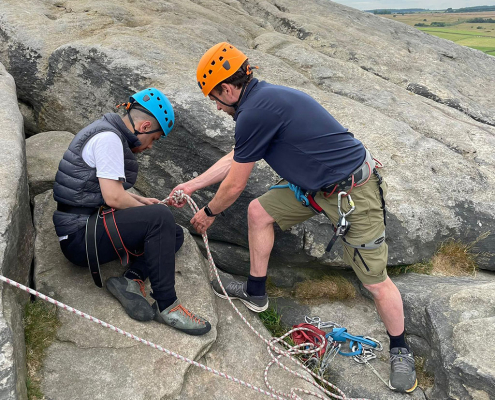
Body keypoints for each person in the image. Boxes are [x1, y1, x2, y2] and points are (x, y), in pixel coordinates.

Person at [168, 43, 417, 390]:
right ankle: (256, 292)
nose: (216, 106)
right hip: (314, 187)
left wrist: (209, 213)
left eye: (214, 98)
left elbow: (236, 183)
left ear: (228, 88)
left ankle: (400, 349)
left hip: (351, 193)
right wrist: (192, 186)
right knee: (260, 212)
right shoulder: (261, 101)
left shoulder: (256, 110)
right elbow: (238, 155)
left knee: (375, 282)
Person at [53, 88, 211, 336]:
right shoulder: (109, 140)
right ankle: (167, 305)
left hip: (89, 223)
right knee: (161, 219)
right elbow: (113, 197)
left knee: (173, 233)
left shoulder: (107, 132)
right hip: (79, 238)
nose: (150, 147)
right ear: (145, 126)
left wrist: (139, 201)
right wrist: (154, 214)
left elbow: (106, 190)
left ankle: (130, 280)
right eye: (155, 139)